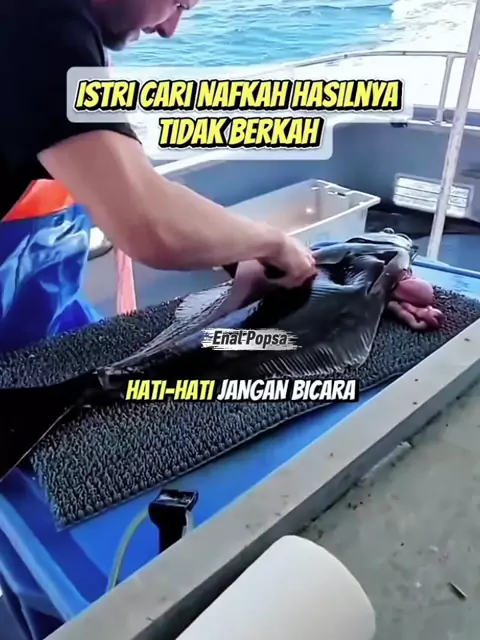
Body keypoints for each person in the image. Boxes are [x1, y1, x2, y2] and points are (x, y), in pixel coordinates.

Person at [0, 0, 316, 353]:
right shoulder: (39, 24)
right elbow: (148, 224)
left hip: (44, 323)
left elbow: (133, 181)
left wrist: (240, 255)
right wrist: (274, 245)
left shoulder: (68, 38)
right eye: (179, 3)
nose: (170, 29)